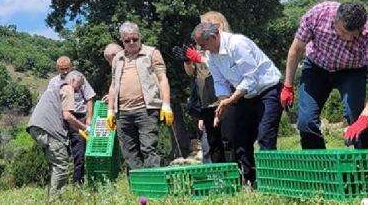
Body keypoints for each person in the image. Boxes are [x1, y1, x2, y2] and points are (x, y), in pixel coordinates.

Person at [280, 1, 368, 149]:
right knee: (305, 121)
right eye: (343, 32)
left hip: (352, 71)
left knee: (356, 115)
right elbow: (296, 50)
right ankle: (318, 168)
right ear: (335, 20)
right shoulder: (318, 14)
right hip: (316, 68)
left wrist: (365, 118)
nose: (348, 39)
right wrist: (288, 85)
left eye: (354, 36)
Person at [191, 21, 282, 188]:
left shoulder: (237, 44)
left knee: (265, 136)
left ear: (213, 36)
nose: (202, 49)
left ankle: (271, 181)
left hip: (267, 91)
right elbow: (220, 81)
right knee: (240, 138)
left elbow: (251, 79)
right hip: (245, 96)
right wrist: (222, 104)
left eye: (203, 45)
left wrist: (230, 101)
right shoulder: (212, 55)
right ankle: (251, 180)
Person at [106, 22, 172, 169]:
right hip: (122, 112)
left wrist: (166, 105)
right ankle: (138, 189)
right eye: (127, 40)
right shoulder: (117, 58)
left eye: (135, 39)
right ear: (122, 41)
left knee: (148, 148)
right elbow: (113, 84)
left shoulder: (151, 53)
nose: (131, 43)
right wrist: (110, 111)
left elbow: (163, 79)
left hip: (146, 110)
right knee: (129, 152)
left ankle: (153, 187)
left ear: (140, 37)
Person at [180, 11, 233, 164]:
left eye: (204, 24)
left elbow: (219, 67)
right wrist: (188, 61)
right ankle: (217, 180)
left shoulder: (226, 44)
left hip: (225, 99)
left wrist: (200, 58)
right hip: (206, 102)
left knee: (228, 140)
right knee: (209, 144)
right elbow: (191, 73)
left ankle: (238, 177)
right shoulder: (199, 46)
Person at [28, 71, 89, 198]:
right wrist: (85, 127)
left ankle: (54, 195)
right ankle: (55, 200)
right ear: (73, 81)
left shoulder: (55, 88)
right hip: (49, 130)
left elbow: (65, 120)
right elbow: (67, 116)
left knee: (56, 165)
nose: (78, 91)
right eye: (79, 87)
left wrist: (80, 131)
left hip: (36, 127)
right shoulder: (68, 89)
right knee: (61, 165)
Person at [47, 56, 96, 184]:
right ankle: (62, 182)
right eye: (61, 69)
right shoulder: (53, 82)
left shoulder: (79, 78)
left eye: (66, 69)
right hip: (61, 119)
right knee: (62, 153)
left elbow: (90, 98)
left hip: (78, 118)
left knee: (79, 153)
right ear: (57, 68)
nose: (64, 72)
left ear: (71, 67)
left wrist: (89, 118)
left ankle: (78, 183)